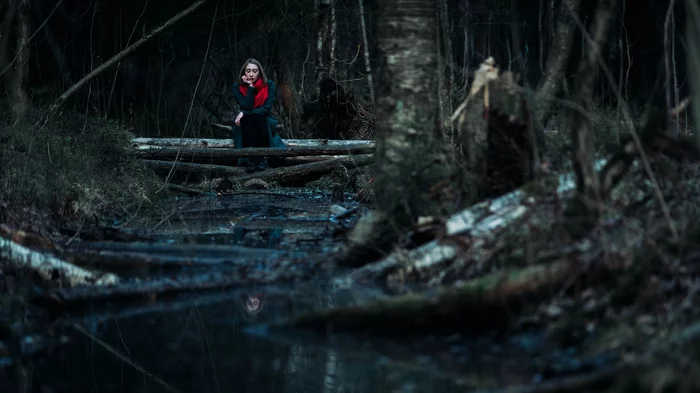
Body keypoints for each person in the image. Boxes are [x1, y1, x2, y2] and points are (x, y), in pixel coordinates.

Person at [231, 58, 286, 172]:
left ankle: (260, 158)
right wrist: (250, 87)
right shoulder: (237, 87)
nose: (251, 74)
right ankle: (252, 159)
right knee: (249, 119)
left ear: (260, 72)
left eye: (255, 71)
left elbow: (266, 109)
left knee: (258, 117)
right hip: (245, 123)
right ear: (244, 73)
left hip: (265, 120)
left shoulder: (269, 85)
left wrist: (244, 113)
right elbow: (246, 105)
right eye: (248, 71)